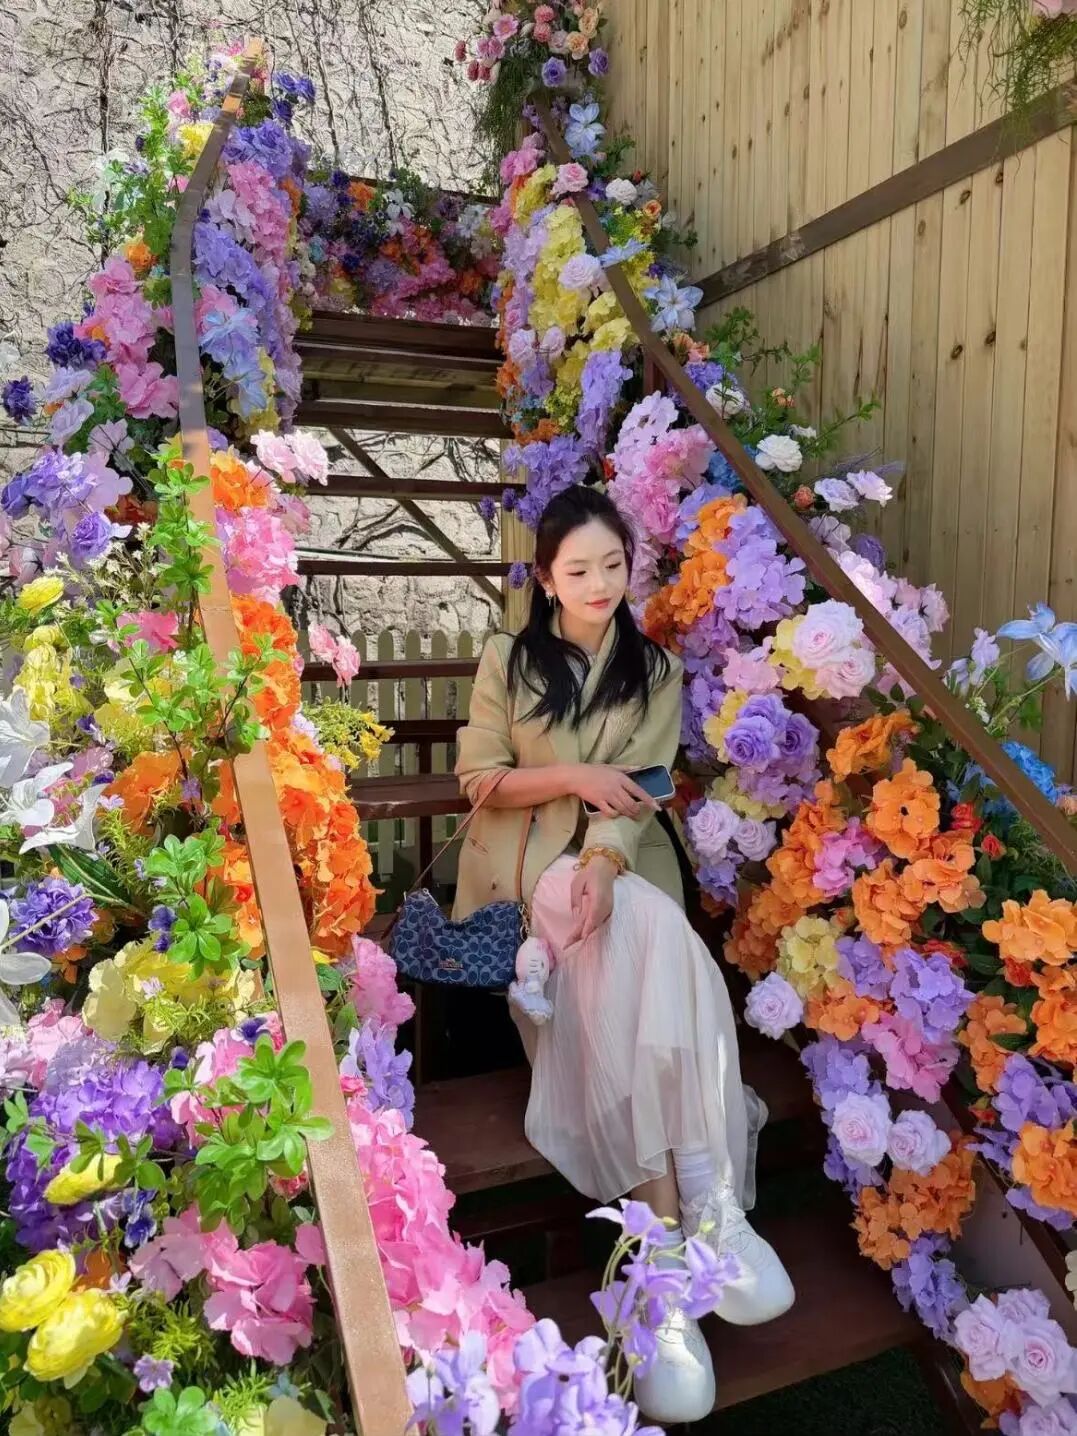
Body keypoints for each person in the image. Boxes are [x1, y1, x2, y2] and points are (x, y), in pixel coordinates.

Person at [453, 486, 794, 1423]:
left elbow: (641, 789)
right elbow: (479, 778)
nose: (599, 583)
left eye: (613, 564)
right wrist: (575, 777)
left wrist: (604, 863)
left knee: (638, 929)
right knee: (653, 942)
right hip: (524, 871)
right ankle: (704, 1206)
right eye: (579, 569)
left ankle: (665, 1256)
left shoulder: (653, 668)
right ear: (544, 578)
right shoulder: (508, 659)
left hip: (620, 869)